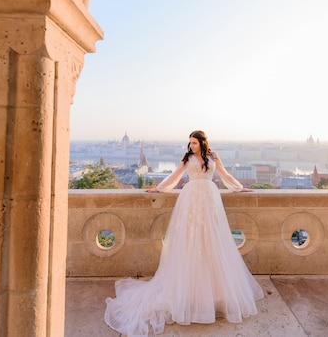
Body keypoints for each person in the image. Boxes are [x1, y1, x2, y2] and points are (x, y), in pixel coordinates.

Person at [104, 130, 264, 336]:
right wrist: (160, 188)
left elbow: (224, 174)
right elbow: (176, 175)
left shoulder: (213, 157)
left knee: (212, 239)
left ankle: (215, 294)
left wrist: (239, 187)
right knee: (190, 239)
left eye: (195, 143)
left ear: (203, 143)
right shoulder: (187, 158)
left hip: (210, 199)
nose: (192, 146)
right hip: (190, 199)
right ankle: (189, 293)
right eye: (190, 143)